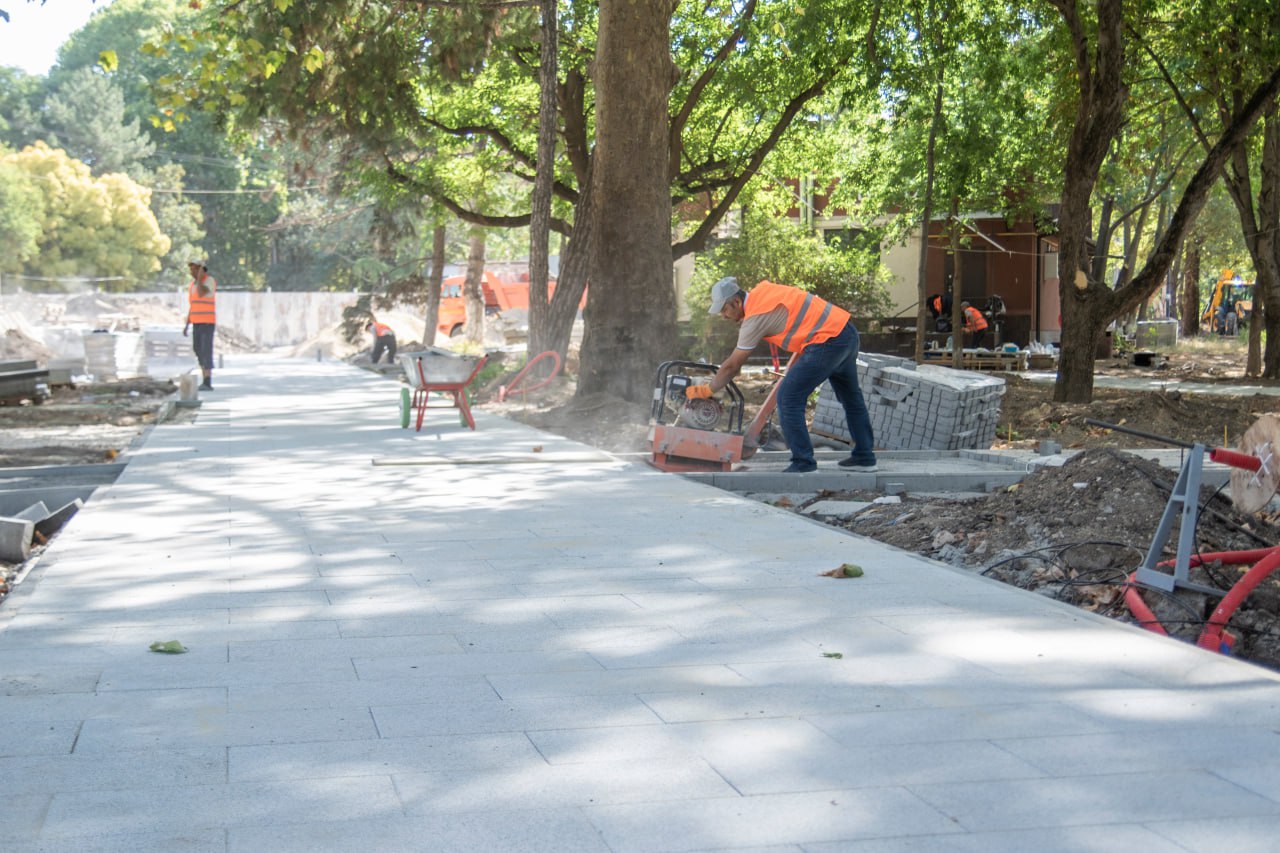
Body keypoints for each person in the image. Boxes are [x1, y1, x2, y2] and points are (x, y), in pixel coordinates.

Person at [692, 276, 877, 474]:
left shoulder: (755, 316)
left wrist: (704, 390)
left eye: (724, 309)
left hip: (826, 342)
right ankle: (864, 458)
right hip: (846, 332)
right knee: (851, 398)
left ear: (736, 302)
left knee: (788, 398)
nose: (723, 316)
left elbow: (732, 366)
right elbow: (736, 368)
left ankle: (803, 463)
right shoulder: (763, 292)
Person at [183, 260, 216, 390]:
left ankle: (208, 381)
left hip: (207, 322)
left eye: (194, 269)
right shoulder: (192, 285)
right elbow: (193, 306)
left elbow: (202, 294)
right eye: (191, 270)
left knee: (206, 350)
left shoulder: (209, 281)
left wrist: (200, 278)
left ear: (201, 270)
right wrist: (187, 324)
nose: (191, 272)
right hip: (196, 322)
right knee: (198, 349)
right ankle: (204, 378)